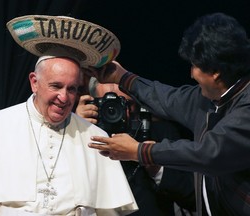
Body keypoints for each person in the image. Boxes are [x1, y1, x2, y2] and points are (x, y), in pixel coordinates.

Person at [0, 15, 138, 215]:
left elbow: (107, 212)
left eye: (72, 89)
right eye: (56, 86)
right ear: (34, 82)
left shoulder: (95, 138)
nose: (63, 97)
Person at [87, 12, 250, 216]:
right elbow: (166, 98)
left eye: (195, 65)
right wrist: (122, 77)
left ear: (215, 71)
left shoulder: (247, 106)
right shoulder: (208, 98)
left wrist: (140, 151)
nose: (191, 73)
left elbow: (209, 152)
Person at [76, 77, 195, 216]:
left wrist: (157, 168)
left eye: (126, 104)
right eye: (108, 106)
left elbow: (193, 199)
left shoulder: (160, 135)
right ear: (94, 105)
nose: (119, 112)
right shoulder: (82, 135)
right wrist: (76, 126)